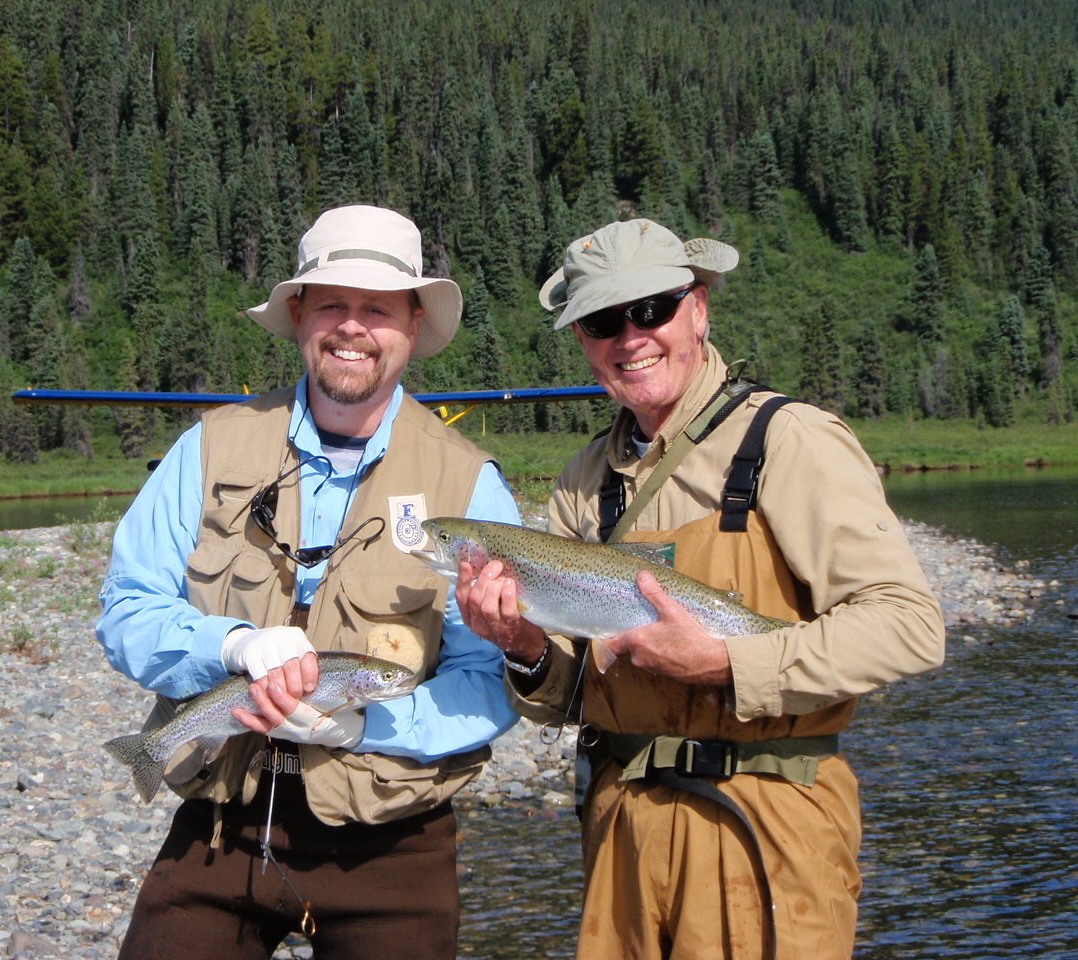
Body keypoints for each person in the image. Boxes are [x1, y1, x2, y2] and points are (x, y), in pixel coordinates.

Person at [456, 218, 946, 960]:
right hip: (621, 831)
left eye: (651, 308)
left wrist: (725, 663)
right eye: (602, 320)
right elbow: (570, 692)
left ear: (700, 307)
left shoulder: (788, 439)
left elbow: (909, 626)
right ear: (583, 340)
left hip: (766, 829)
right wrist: (521, 646)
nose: (631, 336)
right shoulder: (584, 480)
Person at [97, 204, 522, 960]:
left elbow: (489, 678)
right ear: (298, 315)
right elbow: (128, 609)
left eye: (377, 309)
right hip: (223, 821)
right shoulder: (209, 448)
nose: (352, 327)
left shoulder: (470, 486)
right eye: (331, 303)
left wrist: (369, 727)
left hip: (394, 842)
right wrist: (231, 646)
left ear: (414, 325)